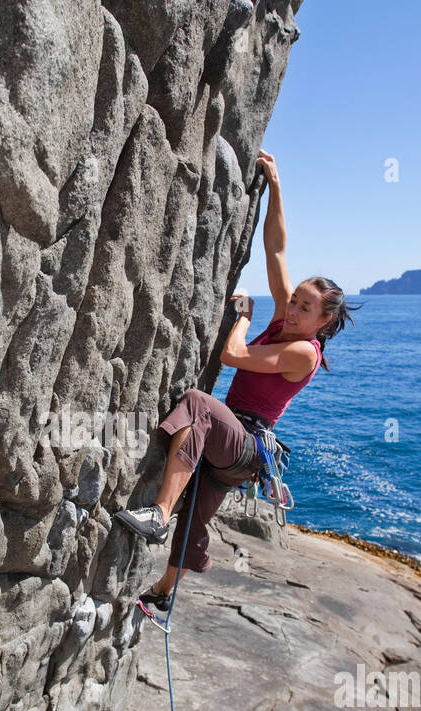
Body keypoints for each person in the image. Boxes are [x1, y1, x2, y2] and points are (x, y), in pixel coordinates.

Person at [113, 149, 359, 611]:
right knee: (196, 516)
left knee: (198, 404)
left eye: (305, 308)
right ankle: (163, 594)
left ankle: (157, 516)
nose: (291, 310)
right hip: (236, 442)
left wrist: (243, 316)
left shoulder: (303, 351)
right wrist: (277, 187)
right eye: (295, 300)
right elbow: (277, 248)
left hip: (246, 444)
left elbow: (233, 355)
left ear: (322, 323)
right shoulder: (290, 321)